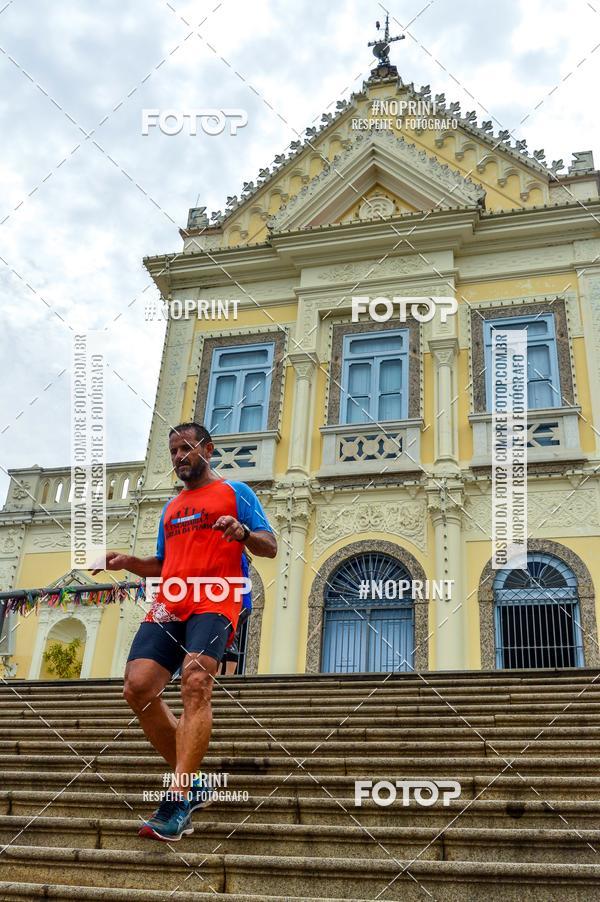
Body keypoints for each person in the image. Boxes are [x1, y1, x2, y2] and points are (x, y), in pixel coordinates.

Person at [92, 422, 277, 841]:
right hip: (171, 600)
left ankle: (176, 800)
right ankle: (193, 783)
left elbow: (270, 545)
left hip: (218, 597)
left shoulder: (236, 493)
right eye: (173, 451)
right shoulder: (171, 508)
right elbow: (163, 563)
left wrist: (244, 533)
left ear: (207, 449)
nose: (179, 457)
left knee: (195, 680)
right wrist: (127, 562)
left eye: (186, 449)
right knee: (138, 687)